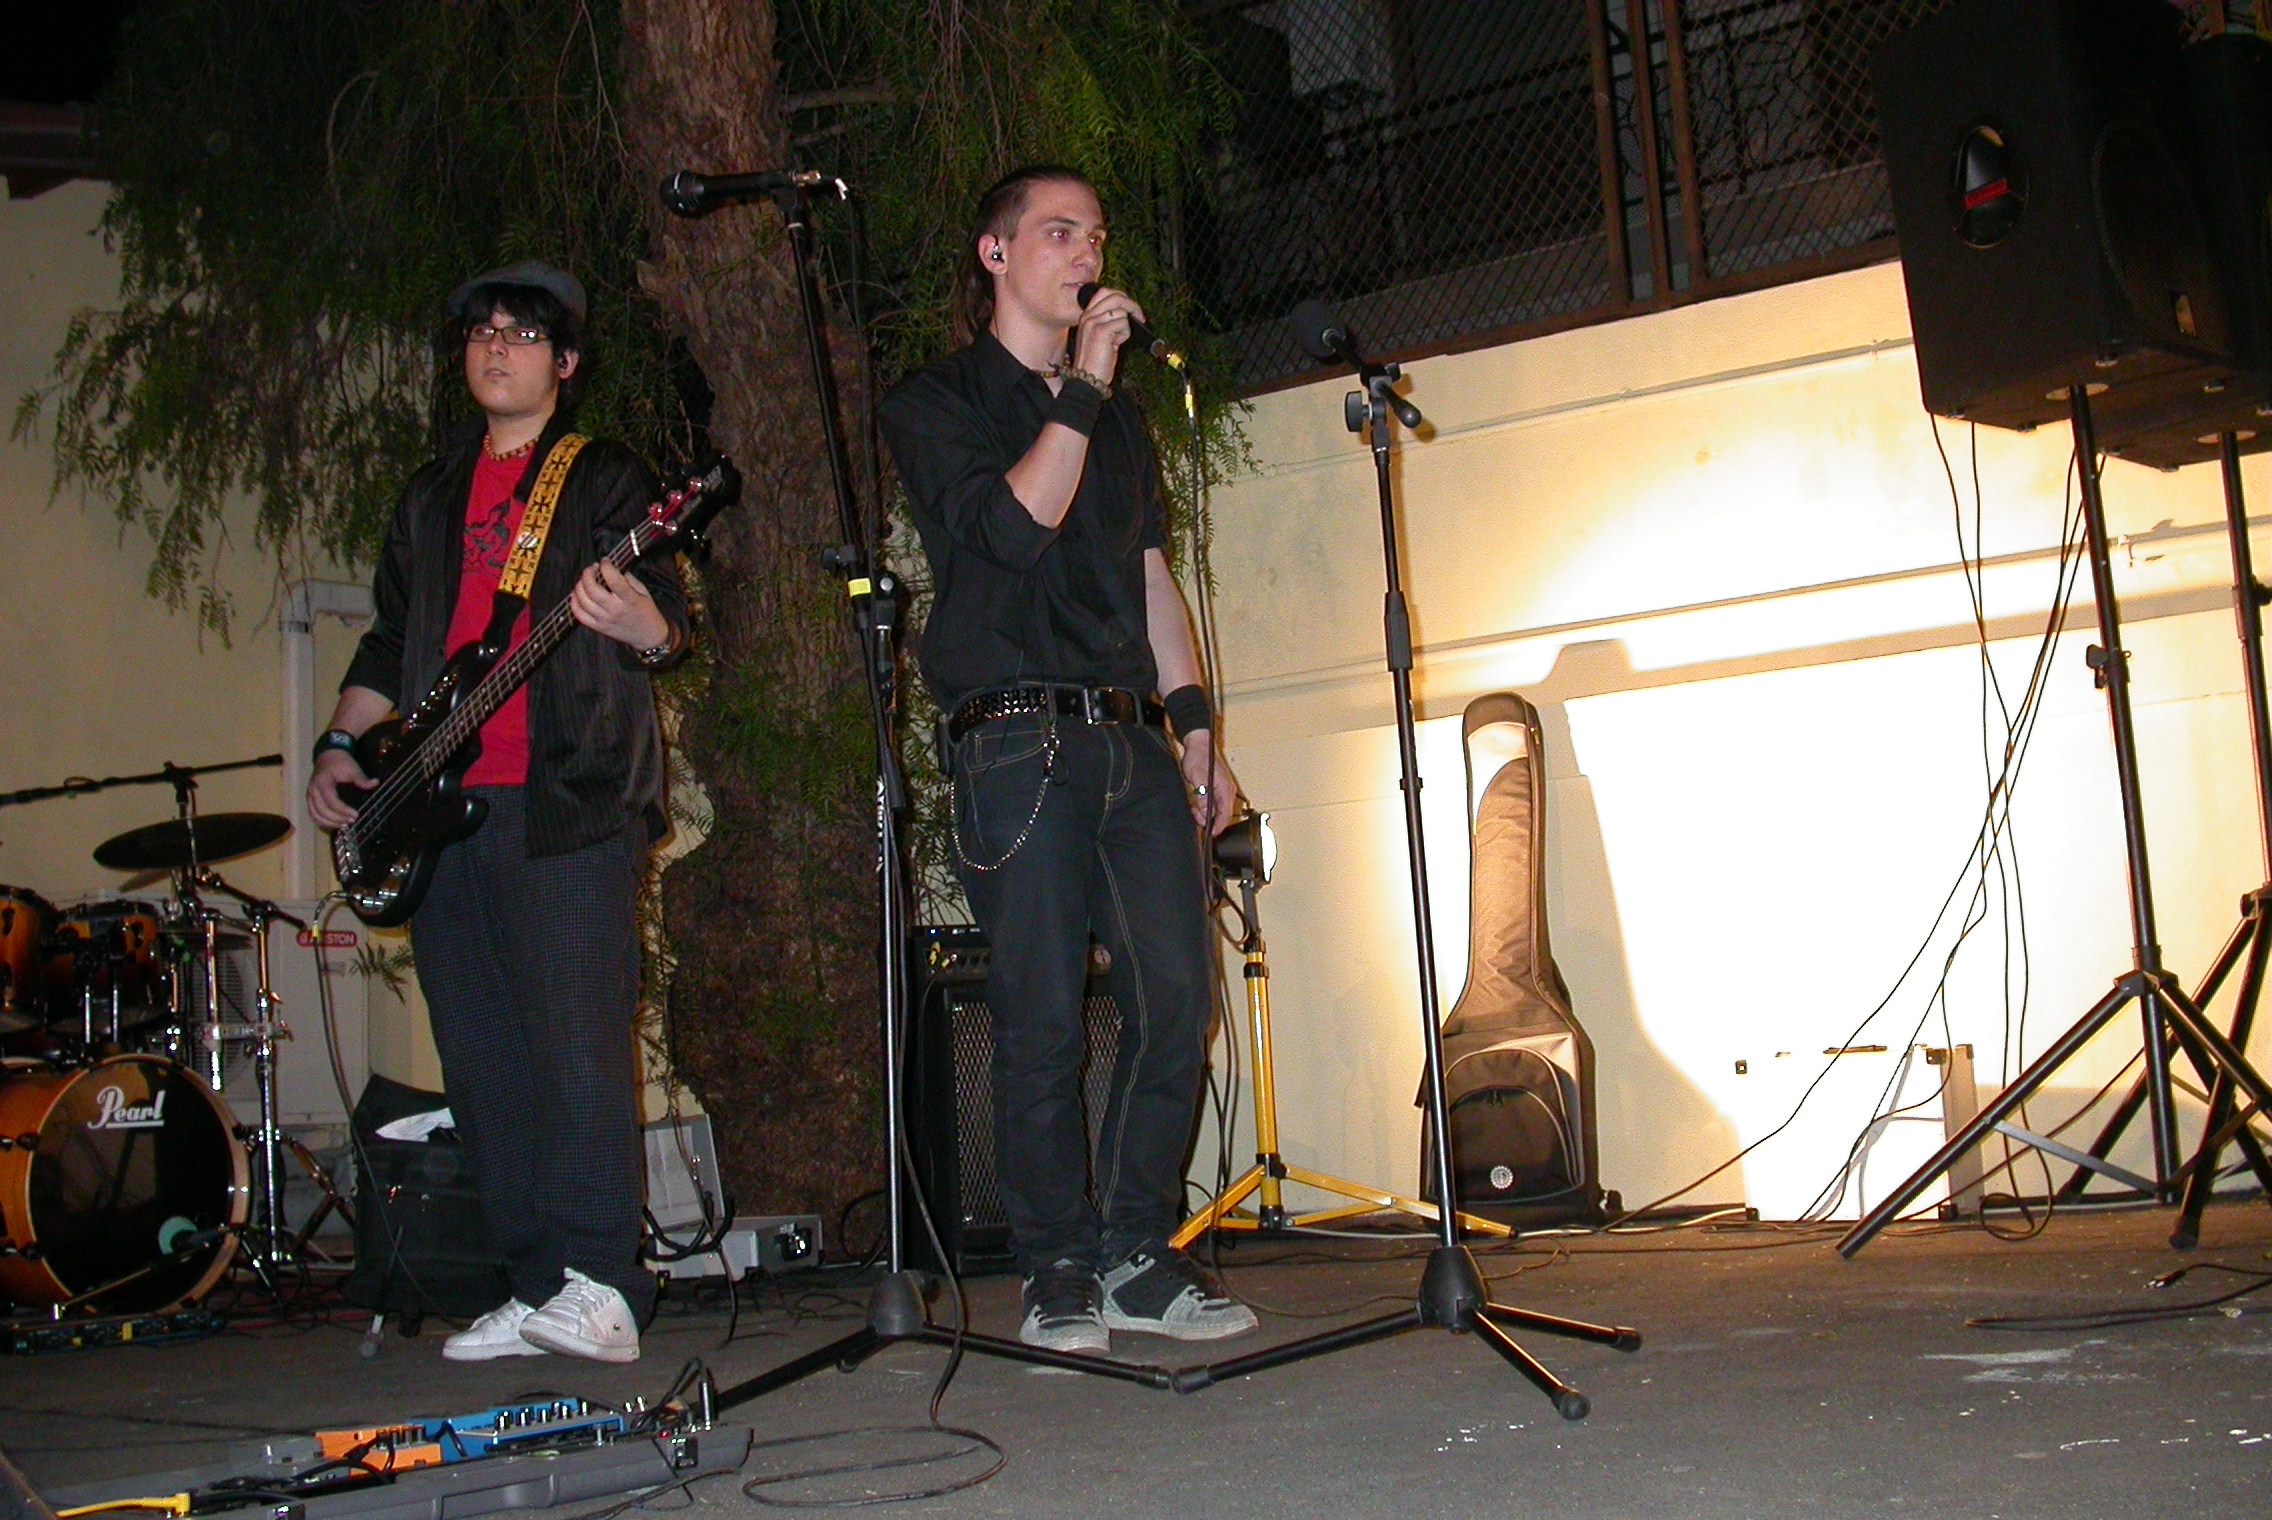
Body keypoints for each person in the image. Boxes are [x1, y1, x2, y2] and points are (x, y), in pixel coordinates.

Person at [880, 166, 1258, 1354]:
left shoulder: (1122, 421)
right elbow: (1012, 526)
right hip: (1013, 738)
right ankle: (1055, 1265)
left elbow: (1148, 576)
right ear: (994, 254)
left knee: (1176, 998)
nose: (1085, 253)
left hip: (1130, 738)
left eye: (1094, 234)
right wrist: (1085, 384)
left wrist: (1195, 724)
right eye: (1057, 232)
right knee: (1040, 1011)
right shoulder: (937, 400)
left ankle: (1139, 1249)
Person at [307, 261, 687, 1364]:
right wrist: (341, 745)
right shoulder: (430, 494)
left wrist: (643, 625)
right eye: (481, 331)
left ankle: (603, 1283)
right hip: (437, 813)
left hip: (566, 799)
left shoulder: (602, 475)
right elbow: (391, 640)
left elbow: (669, 624)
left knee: (576, 1048)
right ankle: (534, 1285)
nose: (496, 347)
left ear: (564, 365)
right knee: (481, 1060)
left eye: (522, 334)